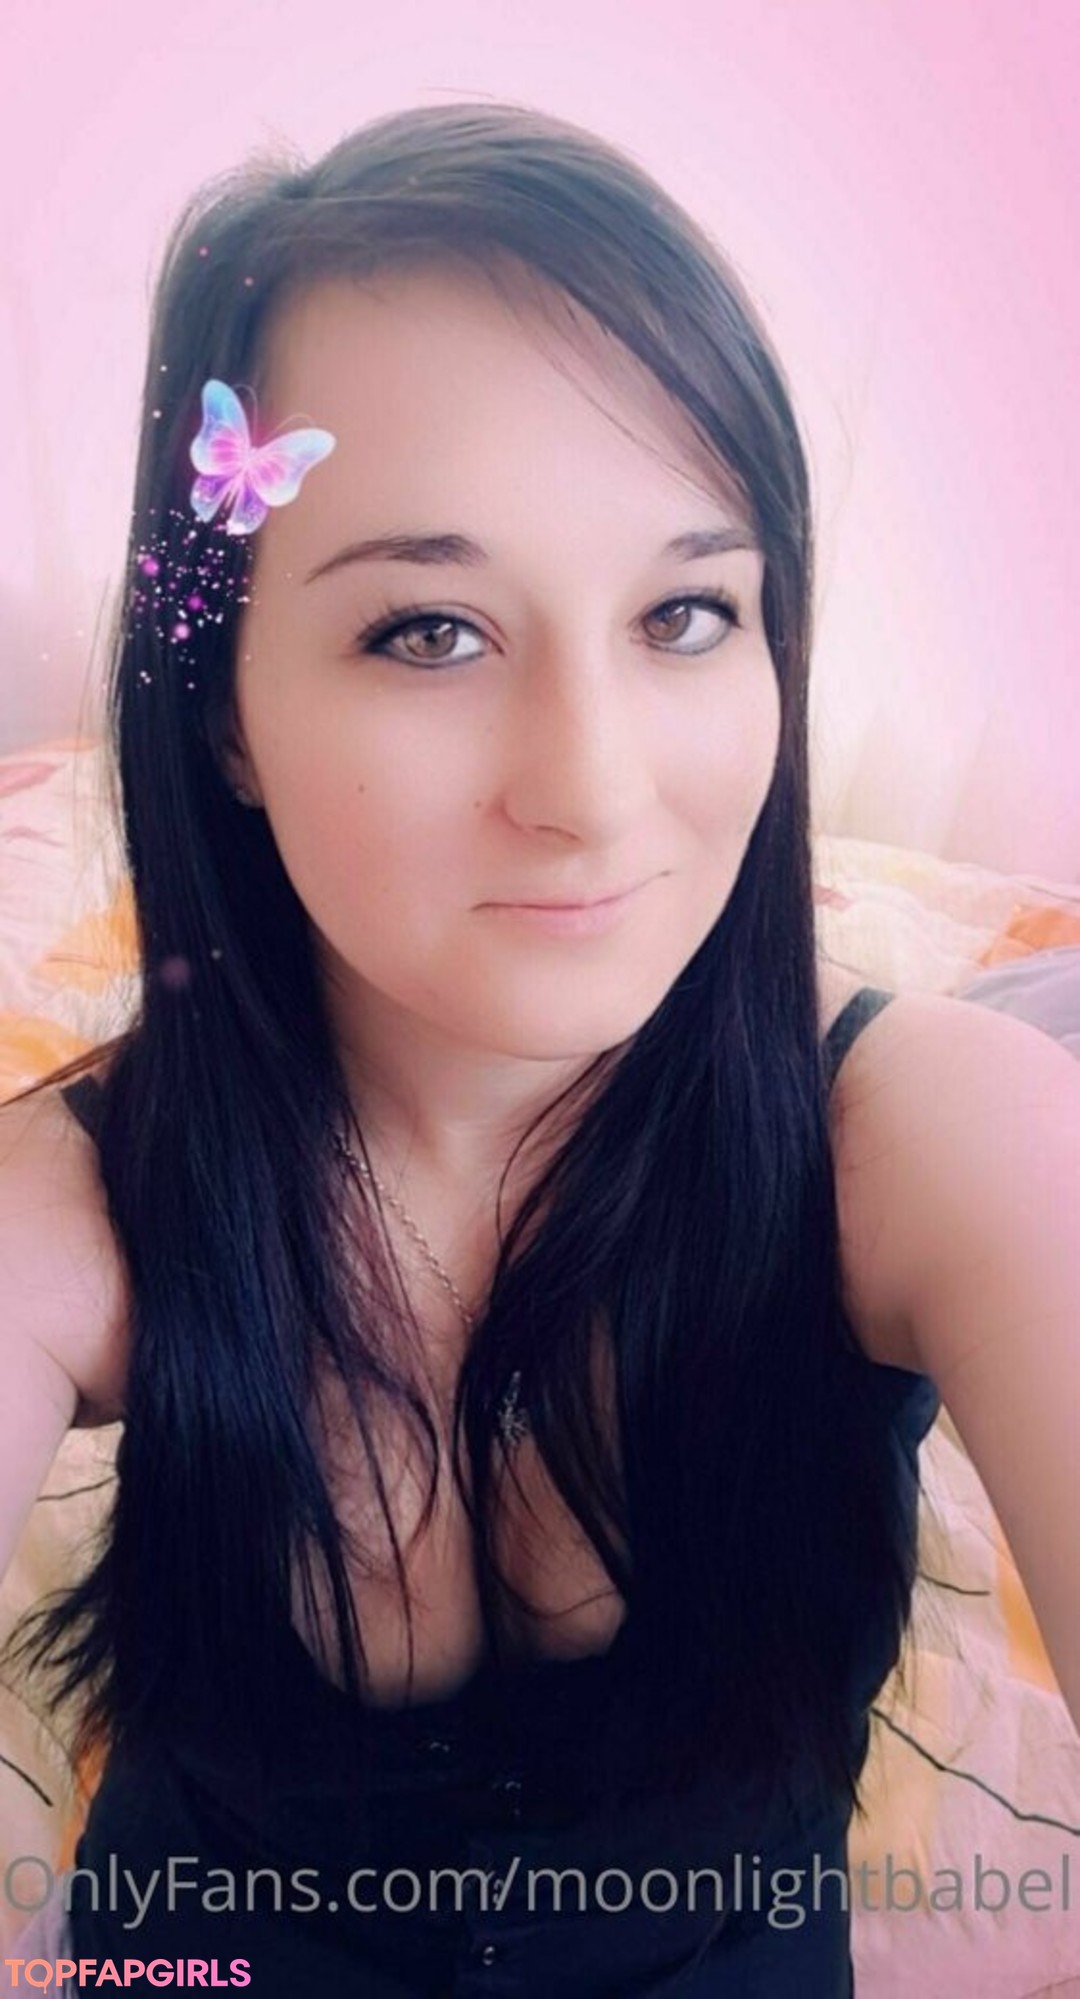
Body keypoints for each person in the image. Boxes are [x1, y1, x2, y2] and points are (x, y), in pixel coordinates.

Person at [1, 99, 1077, 1997]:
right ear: (227, 712)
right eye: (429, 631)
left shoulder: (940, 1136)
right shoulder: (74, 1206)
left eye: (685, 612)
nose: (592, 789)